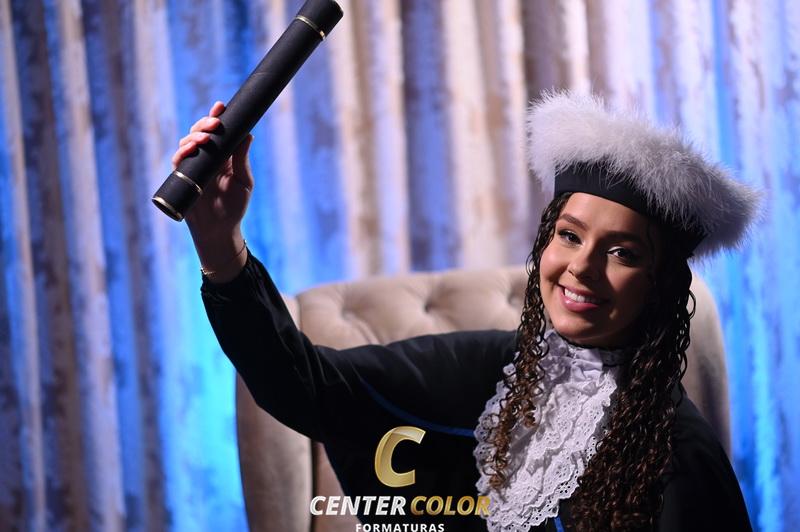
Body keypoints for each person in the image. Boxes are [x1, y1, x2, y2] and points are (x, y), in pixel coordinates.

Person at [175, 92, 757, 531]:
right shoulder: (492, 369)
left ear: (659, 285)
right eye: (569, 235)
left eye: (623, 252)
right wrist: (219, 241)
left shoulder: (684, 461)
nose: (581, 267)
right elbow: (307, 387)